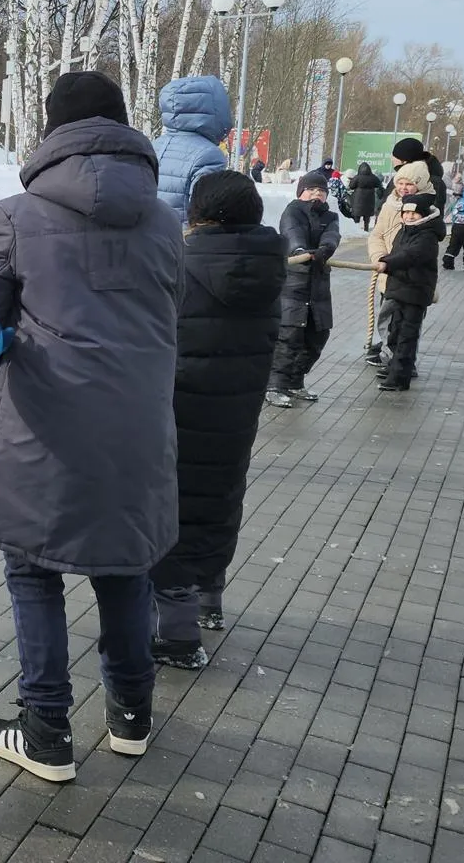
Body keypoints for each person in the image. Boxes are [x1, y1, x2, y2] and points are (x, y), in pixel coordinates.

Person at [0, 70, 182, 783]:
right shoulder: (165, 220)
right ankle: (132, 714)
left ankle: (47, 728)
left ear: (53, 132)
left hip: (44, 426)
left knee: (33, 569)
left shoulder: (16, 217)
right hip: (140, 425)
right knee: (125, 565)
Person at [149, 171, 284, 669]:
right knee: (221, 498)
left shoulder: (180, 263)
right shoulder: (270, 266)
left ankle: (178, 636)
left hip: (180, 406)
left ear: (198, 213)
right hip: (238, 408)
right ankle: (210, 597)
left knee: (173, 511)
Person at [265, 171, 342, 407]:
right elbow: (292, 232)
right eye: (311, 190)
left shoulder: (330, 216)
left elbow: (332, 235)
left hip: (319, 284)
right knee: (289, 336)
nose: (316, 194)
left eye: (321, 191)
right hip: (294, 284)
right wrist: (300, 251)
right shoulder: (293, 210)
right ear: (301, 192)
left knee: (317, 335)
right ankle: (275, 385)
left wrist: (325, 249)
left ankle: (295, 381)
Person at [363, 153, 428, 366]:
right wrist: (379, 257)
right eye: (400, 183)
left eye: (409, 184)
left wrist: (394, 261)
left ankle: (402, 363)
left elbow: (422, 245)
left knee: (407, 323)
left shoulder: (426, 208)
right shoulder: (389, 204)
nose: (403, 188)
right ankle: (390, 354)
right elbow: (377, 234)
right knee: (387, 316)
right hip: (387, 270)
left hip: (411, 275)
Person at [375, 191, 443, 391]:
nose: (409, 216)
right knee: (394, 331)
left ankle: (400, 377)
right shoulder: (404, 230)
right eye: (406, 213)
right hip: (398, 288)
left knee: (407, 335)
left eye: (414, 213)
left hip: (415, 291)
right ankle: (394, 367)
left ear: (423, 215)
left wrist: (387, 263)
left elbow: (411, 255)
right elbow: (397, 252)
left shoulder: (427, 236)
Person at [149, 75, 232, 218]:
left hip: (152, 231)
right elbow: (208, 214)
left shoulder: (152, 146)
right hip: (183, 232)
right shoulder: (209, 155)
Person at [348, 161, 380, 231]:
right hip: (369, 198)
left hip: (358, 198)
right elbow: (378, 184)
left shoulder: (357, 177)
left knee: (357, 215)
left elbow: (351, 186)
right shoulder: (373, 177)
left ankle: (356, 229)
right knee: (367, 215)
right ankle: (366, 228)